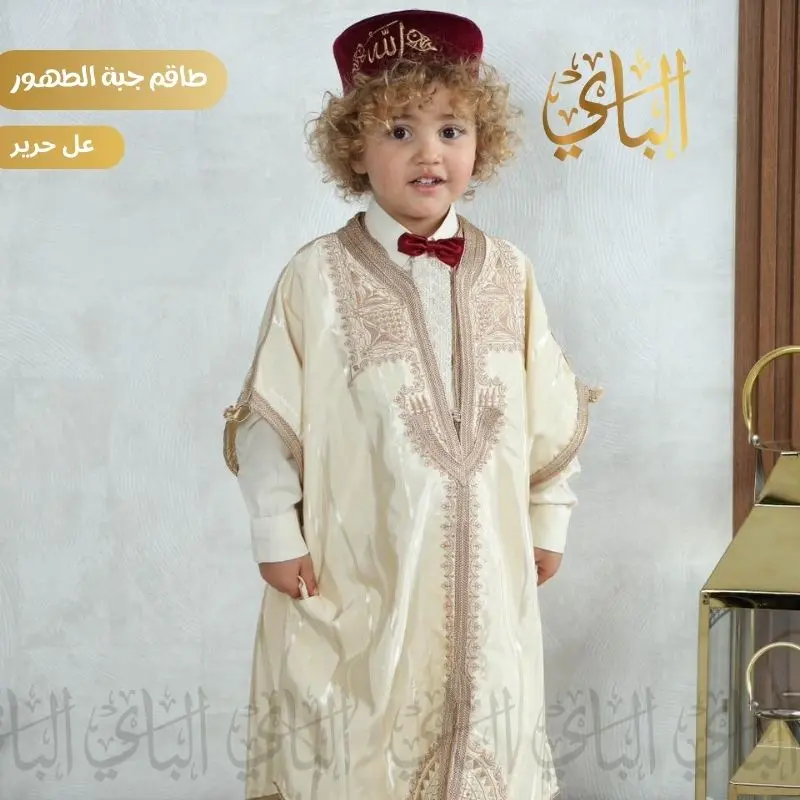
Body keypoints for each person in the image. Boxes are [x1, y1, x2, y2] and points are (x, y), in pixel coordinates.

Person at [222, 9, 599, 800]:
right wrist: (275, 532)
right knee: (360, 738)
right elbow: (268, 417)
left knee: (487, 720)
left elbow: (547, 411)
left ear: (481, 144)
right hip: (360, 565)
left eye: (451, 130)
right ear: (355, 149)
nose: (430, 152)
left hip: (489, 568)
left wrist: (549, 518)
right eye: (399, 131)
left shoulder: (510, 273)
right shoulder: (316, 277)